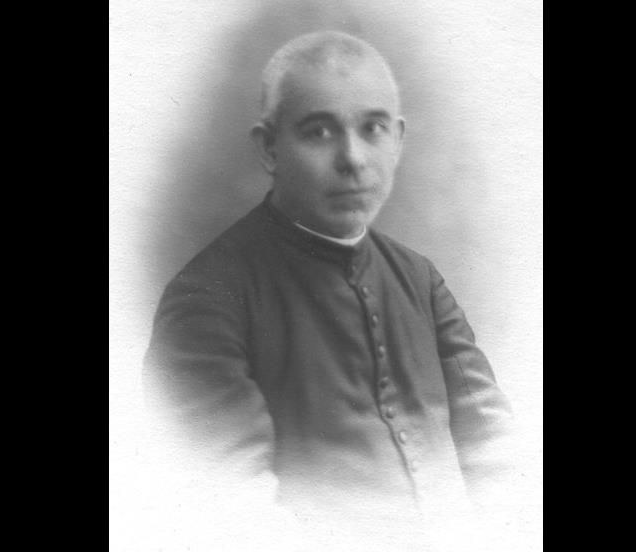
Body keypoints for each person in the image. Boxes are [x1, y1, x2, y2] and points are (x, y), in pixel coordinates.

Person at [143, 31, 518, 551]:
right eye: (319, 132)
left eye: (373, 129)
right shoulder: (207, 299)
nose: (353, 158)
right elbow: (232, 507)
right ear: (269, 148)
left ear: (398, 140)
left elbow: (495, 451)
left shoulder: (420, 279)